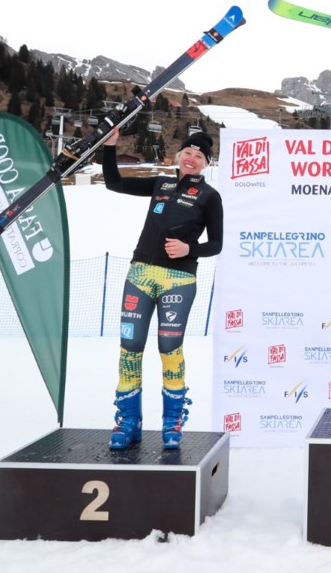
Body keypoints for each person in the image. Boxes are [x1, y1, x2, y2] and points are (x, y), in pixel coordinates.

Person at [102, 129, 224, 450]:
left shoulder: (210, 196)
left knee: (169, 349)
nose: (192, 159)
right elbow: (114, 183)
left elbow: (217, 243)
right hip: (140, 273)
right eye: (188, 152)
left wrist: (189, 250)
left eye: (200, 156)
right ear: (178, 156)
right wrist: (111, 148)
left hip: (179, 280)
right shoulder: (161, 183)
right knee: (130, 346)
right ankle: (128, 422)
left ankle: (172, 423)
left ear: (206, 164)